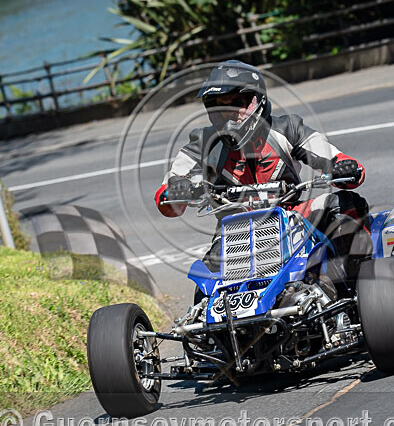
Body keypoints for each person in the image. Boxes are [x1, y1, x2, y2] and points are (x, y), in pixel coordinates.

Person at [154, 60, 372, 285]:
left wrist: (344, 167)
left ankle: (360, 285)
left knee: (343, 205)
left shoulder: (288, 129)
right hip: (234, 229)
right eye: (219, 106)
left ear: (258, 101)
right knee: (206, 283)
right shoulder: (202, 143)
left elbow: (337, 159)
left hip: (293, 216)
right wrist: (176, 190)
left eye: (236, 103)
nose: (228, 114)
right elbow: (169, 194)